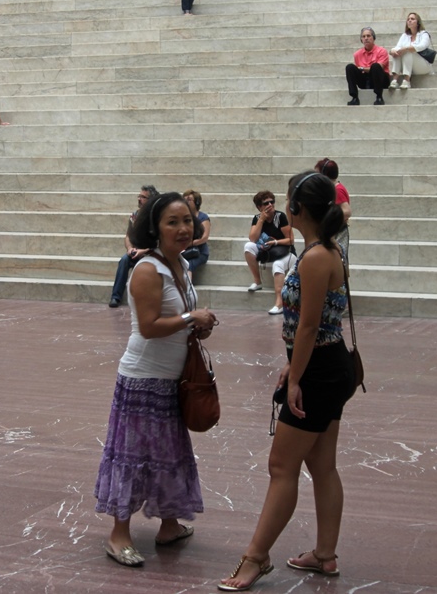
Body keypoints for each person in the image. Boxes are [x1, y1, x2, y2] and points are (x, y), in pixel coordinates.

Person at [217, 171, 351, 591]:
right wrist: (292, 366)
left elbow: (309, 326)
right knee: (322, 464)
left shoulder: (314, 257)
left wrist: (296, 377)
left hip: (319, 370)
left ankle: (255, 558)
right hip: (329, 365)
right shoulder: (324, 250)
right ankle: (325, 555)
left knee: (281, 466)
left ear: (297, 208)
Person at [94, 191, 218, 568]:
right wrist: (189, 319)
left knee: (168, 453)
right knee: (132, 456)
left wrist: (197, 327)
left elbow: (177, 320)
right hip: (143, 379)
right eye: (173, 222)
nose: (184, 229)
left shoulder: (181, 265)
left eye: (187, 221)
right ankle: (119, 535)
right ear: (155, 228)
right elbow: (148, 327)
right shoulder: (148, 269)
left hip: (170, 378)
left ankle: (168, 524)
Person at [244, 190, 295, 316]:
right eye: (266, 203)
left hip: (286, 253)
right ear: (259, 207)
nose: (270, 205)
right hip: (268, 252)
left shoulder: (280, 217)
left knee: (277, 265)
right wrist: (261, 220)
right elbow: (253, 239)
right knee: (248, 246)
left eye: (272, 202)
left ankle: (279, 303)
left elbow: (291, 240)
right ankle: (257, 281)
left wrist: (276, 242)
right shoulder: (256, 218)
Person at [109, 185, 160, 307]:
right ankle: (115, 297)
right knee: (124, 260)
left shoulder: (157, 218)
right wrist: (130, 248)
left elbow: (160, 242)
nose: (139, 199)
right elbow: (128, 236)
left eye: (143, 197)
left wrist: (144, 251)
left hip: (153, 254)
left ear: (150, 200)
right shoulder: (134, 216)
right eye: (139, 196)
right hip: (136, 252)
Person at [314, 158, 352, 259]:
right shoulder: (333, 188)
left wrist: (328, 219)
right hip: (335, 231)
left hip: (337, 232)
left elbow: (347, 211)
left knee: (337, 259)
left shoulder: (337, 190)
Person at [345, 27, 390, 106]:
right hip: (365, 80)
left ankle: (379, 96)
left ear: (373, 38)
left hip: (381, 79)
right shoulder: (357, 54)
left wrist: (362, 68)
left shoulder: (382, 51)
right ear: (361, 39)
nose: (366, 38)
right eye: (363, 36)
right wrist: (363, 70)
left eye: (368, 36)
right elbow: (359, 71)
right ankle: (354, 97)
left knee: (375, 66)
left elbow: (379, 67)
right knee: (350, 67)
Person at [389, 13, 433, 90]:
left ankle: (406, 81)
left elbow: (422, 46)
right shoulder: (405, 35)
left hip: (423, 65)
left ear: (418, 22)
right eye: (408, 19)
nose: (409, 20)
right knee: (397, 53)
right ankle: (395, 80)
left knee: (408, 51)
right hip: (409, 65)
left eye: (412, 19)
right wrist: (392, 51)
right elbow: (397, 47)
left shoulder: (424, 34)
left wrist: (406, 48)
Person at [182, 189, 211, 279]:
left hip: (199, 252)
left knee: (189, 265)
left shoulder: (203, 217)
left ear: (197, 203)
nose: (186, 202)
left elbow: (204, 237)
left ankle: (188, 290)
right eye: (184, 199)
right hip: (184, 251)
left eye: (189, 199)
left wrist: (190, 243)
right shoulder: (182, 217)